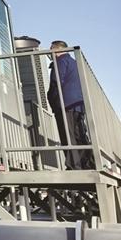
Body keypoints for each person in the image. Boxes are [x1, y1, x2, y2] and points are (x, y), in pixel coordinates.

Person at [46, 41, 94, 169]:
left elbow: (56, 82)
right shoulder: (74, 63)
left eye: (50, 50)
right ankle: (87, 164)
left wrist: (52, 101)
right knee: (79, 135)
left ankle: (73, 166)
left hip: (65, 104)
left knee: (68, 136)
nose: (49, 53)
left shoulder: (60, 62)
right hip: (78, 104)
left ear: (56, 50)